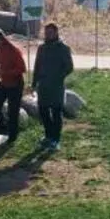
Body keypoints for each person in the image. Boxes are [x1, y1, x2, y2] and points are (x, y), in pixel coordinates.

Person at [31, 21, 75, 154]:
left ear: (56, 33)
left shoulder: (63, 48)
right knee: (43, 112)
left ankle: (56, 139)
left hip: (56, 86)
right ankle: (48, 135)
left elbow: (69, 67)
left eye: (50, 32)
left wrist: (58, 77)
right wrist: (34, 83)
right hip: (43, 86)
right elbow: (37, 66)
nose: (48, 35)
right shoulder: (42, 48)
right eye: (46, 32)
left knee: (56, 113)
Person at [0, 27, 28, 143]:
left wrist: (5, 73)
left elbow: (22, 69)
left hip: (15, 84)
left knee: (12, 111)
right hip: (3, 83)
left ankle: (12, 136)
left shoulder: (14, 50)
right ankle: (3, 128)